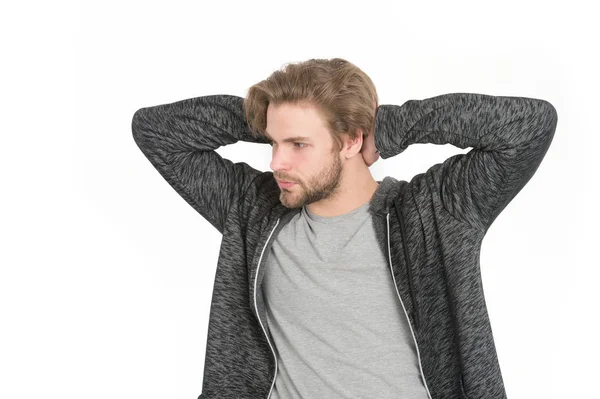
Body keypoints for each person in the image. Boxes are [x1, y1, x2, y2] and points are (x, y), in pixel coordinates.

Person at [131, 58, 558, 399]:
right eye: (273, 143)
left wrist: (394, 126)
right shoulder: (252, 210)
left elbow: (530, 125)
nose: (277, 162)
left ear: (352, 140)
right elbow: (156, 130)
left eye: (298, 145)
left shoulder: (438, 210)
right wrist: (270, 118)